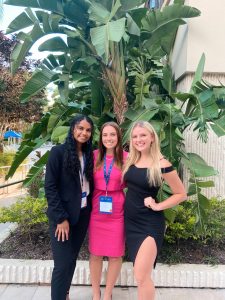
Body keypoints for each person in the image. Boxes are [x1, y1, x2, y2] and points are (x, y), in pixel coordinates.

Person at [123, 121, 187, 300]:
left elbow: (181, 194)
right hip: (131, 223)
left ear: (152, 137)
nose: (139, 139)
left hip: (149, 224)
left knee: (142, 276)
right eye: (135, 136)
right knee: (140, 275)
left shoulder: (161, 163)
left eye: (143, 135)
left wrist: (158, 205)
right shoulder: (131, 160)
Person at [45, 114, 94, 300]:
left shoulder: (90, 154)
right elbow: (50, 187)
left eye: (88, 130)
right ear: (73, 129)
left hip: (82, 214)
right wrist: (60, 218)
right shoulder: (58, 152)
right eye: (80, 128)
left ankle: (64, 293)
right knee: (62, 263)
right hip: (62, 217)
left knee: (72, 259)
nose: (84, 133)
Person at [88, 122, 128, 300]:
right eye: (105, 135)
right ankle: (96, 294)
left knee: (115, 254)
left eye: (112, 134)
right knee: (95, 253)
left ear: (118, 137)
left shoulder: (127, 158)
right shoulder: (94, 156)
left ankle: (107, 294)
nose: (108, 138)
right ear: (100, 137)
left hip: (117, 209)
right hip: (97, 209)